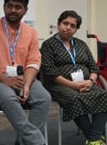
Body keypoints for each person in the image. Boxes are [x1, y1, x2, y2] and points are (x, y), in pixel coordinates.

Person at [0, 0, 51, 145]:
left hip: (21, 79)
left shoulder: (31, 33)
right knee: (9, 97)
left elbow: (33, 63)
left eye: (18, 7)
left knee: (44, 98)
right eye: (9, 6)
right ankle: (37, 141)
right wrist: (5, 81)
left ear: (25, 10)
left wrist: (28, 85)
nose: (13, 10)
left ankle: (23, 142)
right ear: (4, 7)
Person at [41, 10, 107, 145]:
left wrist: (91, 81)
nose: (68, 28)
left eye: (73, 26)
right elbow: (49, 72)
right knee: (75, 98)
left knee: (103, 95)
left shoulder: (81, 44)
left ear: (76, 29)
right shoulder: (48, 45)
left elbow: (94, 68)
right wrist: (73, 85)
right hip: (59, 84)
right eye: (65, 23)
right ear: (59, 23)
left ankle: (94, 139)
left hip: (85, 82)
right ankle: (95, 138)